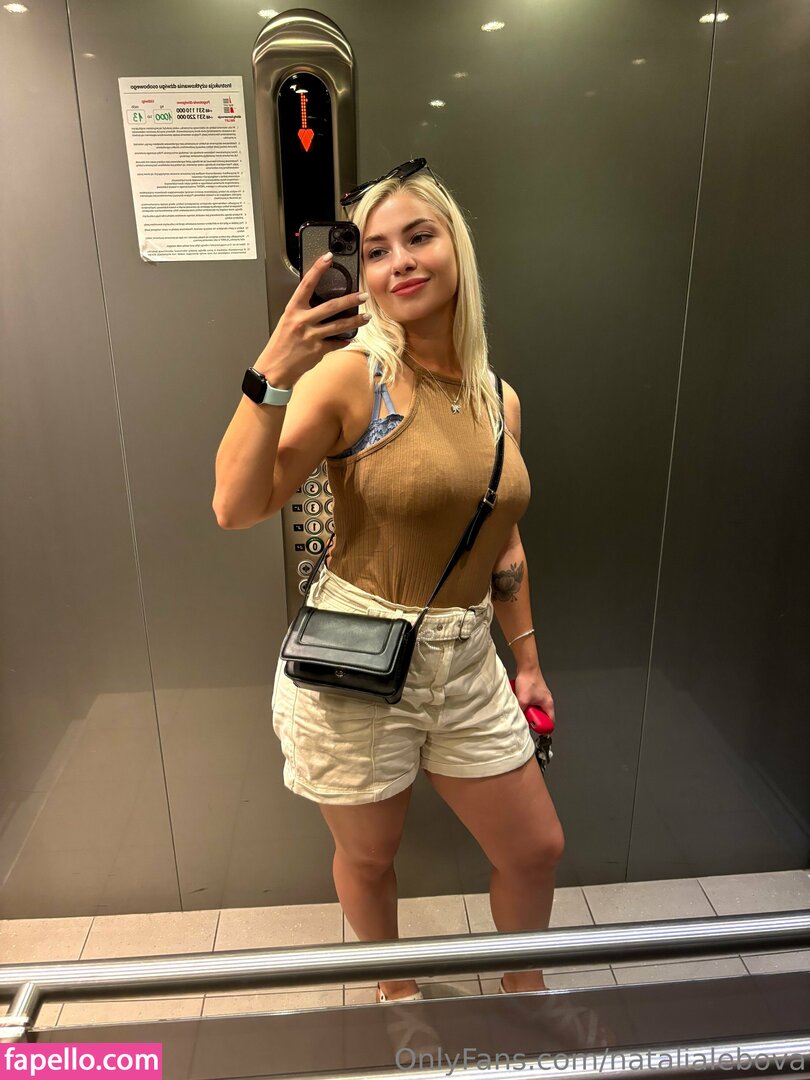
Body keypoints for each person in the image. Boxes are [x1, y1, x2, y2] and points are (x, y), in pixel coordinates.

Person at [213, 160, 564, 1005]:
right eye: (375, 250)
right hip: (359, 661)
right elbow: (236, 505)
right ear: (361, 274)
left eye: (419, 237)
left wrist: (526, 661)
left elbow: (502, 540)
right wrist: (269, 375)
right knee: (370, 858)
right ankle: (394, 990)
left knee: (534, 849)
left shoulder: (498, 398)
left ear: (456, 250)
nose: (399, 262)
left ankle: (525, 990)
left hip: (468, 660)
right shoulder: (351, 379)